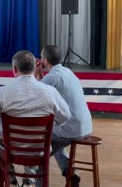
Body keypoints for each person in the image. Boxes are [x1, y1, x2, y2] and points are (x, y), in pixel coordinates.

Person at [0, 50, 71, 187]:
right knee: (33, 137)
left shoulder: (3, 93)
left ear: (14, 69)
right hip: (40, 149)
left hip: (12, 149)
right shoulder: (50, 92)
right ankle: (30, 178)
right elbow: (65, 116)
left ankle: (10, 180)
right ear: (34, 68)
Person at [34, 45, 93, 187]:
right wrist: (41, 75)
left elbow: (35, 94)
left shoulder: (52, 77)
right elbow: (46, 89)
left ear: (45, 61)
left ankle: (37, 179)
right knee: (55, 141)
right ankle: (69, 170)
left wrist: (36, 74)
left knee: (42, 140)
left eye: (42, 57)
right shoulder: (67, 71)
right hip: (86, 125)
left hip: (71, 128)